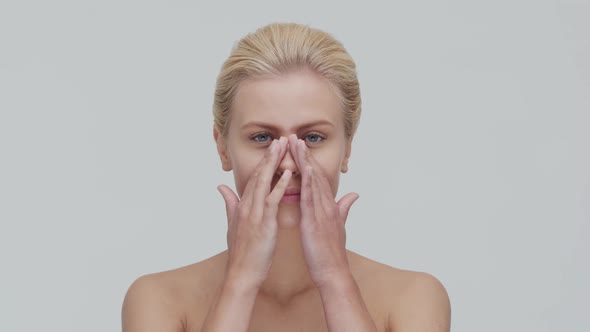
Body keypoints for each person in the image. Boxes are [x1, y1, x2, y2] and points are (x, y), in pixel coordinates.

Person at [122, 22, 451, 331]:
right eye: (262, 138)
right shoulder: (157, 298)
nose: (289, 165)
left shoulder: (414, 296)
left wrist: (334, 278)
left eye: (313, 138)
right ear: (223, 148)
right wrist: (241, 279)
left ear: (347, 149)